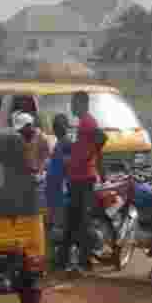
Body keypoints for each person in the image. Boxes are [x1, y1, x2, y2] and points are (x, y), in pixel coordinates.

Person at [61, 91, 106, 273]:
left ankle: (84, 260)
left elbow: (101, 139)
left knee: (82, 221)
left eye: (74, 103)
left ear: (82, 104)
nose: (72, 107)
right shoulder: (83, 122)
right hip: (77, 177)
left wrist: (85, 159)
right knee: (73, 219)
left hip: (84, 178)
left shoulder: (88, 122)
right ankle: (66, 259)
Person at [44, 113, 72, 252]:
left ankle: (61, 253)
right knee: (54, 223)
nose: (57, 129)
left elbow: (67, 166)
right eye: (56, 126)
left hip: (60, 190)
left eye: (59, 126)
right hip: (54, 190)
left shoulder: (66, 143)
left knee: (59, 225)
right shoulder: (60, 143)